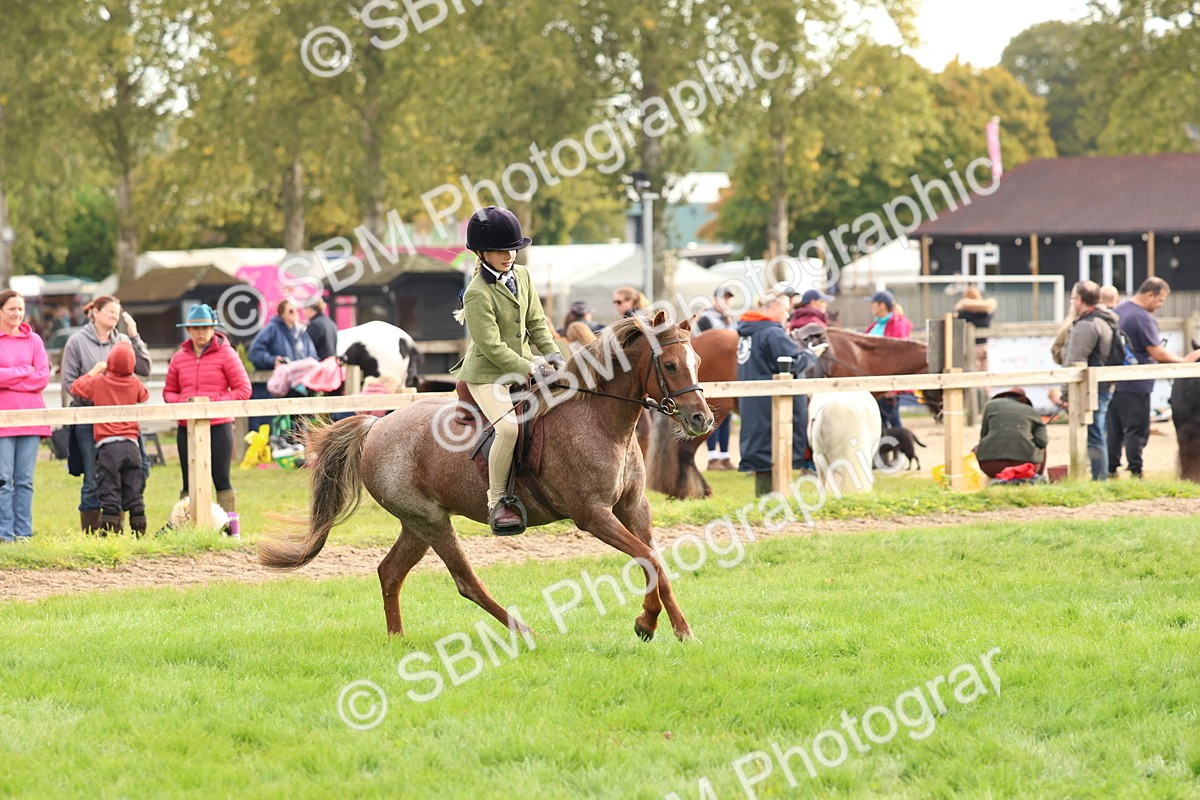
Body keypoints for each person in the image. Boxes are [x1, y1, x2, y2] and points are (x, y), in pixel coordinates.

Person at [450, 206, 565, 534]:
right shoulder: (477, 293)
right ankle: (498, 500)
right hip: (488, 375)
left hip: (525, 365)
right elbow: (491, 347)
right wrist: (530, 366)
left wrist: (555, 357)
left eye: (513, 249)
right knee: (509, 430)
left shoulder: (523, 276)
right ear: (482, 253)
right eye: (501, 250)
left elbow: (536, 323)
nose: (509, 255)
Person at [61, 295, 152, 533]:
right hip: (89, 420)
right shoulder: (76, 342)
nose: (115, 316)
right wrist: (98, 378)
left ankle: (115, 527)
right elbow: (71, 385)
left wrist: (134, 336)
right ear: (96, 312)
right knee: (94, 478)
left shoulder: (123, 341)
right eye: (110, 311)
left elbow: (144, 368)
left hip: (123, 422)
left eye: (117, 312)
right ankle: (94, 532)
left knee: (139, 469)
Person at [164, 304, 253, 516]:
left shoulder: (227, 354)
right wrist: (183, 402)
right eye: (196, 328)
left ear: (213, 328)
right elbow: (169, 392)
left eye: (205, 327)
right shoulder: (179, 357)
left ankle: (230, 528)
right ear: (188, 330)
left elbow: (243, 389)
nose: (201, 332)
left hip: (219, 425)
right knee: (188, 481)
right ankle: (186, 525)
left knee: (221, 479)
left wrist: (215, 402)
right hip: (187, 425)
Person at [1108, 278, 1200, 478]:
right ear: (1150, 294)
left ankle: (1110, 469)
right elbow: (1157, 352)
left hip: (1113, 380)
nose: (1160, 305)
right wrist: (1184, 362)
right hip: (1136, 382)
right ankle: (1135, 470)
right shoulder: (1142, 317)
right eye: (1160, 300)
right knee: (1137, 428)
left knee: (1114, 428)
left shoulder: (1119, 311)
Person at [736, 292, 823, 492]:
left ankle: (765, 500)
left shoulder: (747, 332)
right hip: (772, 407)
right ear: (774, 307)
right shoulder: (771, 333)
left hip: (753, 405)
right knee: (776, 453)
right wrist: (811, 355)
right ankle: (775, 499)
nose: (787, 315)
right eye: (785, 309)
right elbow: (791, 363)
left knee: (762, 458)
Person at [0, 290, 50, 542]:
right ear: (1, 310)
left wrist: (8, 378)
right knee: (3, 479)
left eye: (20, 309)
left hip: (31, 419)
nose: (17, 313)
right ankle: (4, 532)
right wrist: (23, 371)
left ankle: (24, 532)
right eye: (12, 308)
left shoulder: (34, 341)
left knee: (25, 480)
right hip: (3, 421)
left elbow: (42, 377)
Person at [1062, 281, 1120, 480]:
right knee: (1098, 431)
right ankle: (1099, 477)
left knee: (1094, 433)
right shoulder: (1106, 320)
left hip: (1090, 388)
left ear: (1080, 300)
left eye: (1073, 298)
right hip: (1104, 384)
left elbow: (1075, 361)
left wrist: (1065, 393)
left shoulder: (1087, 325)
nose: (1072, 302)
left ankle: (1098, 479)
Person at [975, 388, 1049, 478]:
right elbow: (1042, 442)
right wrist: (1029, 441)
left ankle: (990, 479)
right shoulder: (1032, 411)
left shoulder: (990, 406)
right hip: (1025, 467)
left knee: (977, 448)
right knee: (1042, 450)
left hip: (990, 466)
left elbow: (983, 436)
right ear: (1024, 401)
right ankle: (1037, 478)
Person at [864, 290, 912, 428]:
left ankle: (900, 442)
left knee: (892, 421)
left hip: (887, 384)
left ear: (882, 305)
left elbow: (900, 356)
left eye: (873, 303)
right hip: (874, 382)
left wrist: (894, 387)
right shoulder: (875, 325)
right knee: (879, 422)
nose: (871, 306)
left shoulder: (898, 325)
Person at [248, 300, 318, 370]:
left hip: (302, 375)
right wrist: (273, 360)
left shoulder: (302, 332)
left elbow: (313, 357)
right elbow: (254, 352)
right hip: (279, 375)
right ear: (282, 315)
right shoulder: (272, 329)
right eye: (291, 311)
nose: (295, 313)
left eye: (297, 310)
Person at [954, 286, 997, 372]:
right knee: (985, 371)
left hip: (970, 347)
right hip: (984, 346)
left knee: (972, 371)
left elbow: (957, 309)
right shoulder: (986, 313)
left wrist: (964, 303)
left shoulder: (963, 313)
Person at [302, 297, 339, 361]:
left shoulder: (315, 325)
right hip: (331, 363)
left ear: (310, 308)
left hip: (320, 364)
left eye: (304, 308)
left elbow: (307, 350)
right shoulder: (330, 322)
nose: (303, 311)